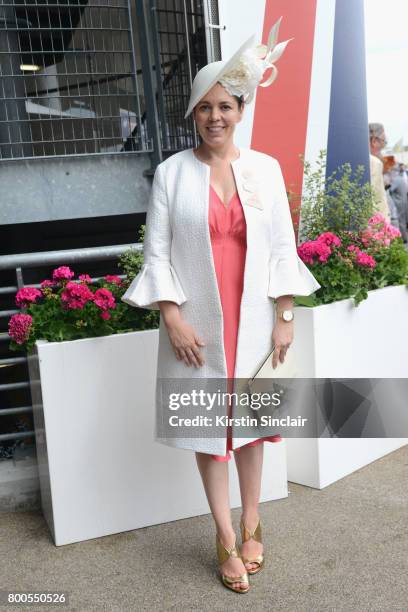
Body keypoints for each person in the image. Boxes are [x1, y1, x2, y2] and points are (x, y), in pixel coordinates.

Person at [121, 18, 320, 594]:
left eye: (225, 106)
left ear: (241, 109)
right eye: (204, 107)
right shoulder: (171, 175)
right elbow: (156, 253)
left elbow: (284, 247)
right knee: (211, 431)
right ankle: (224, 532)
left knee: (253, 428)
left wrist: (285, 317)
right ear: (193, 112)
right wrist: (172, 316)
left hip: (255, 319)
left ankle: (255, 516)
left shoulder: (265, 170)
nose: (215, 117)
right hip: (199, 324)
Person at [369, 123, 391, 221]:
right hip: (378, 227)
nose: (383, 146)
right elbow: (376, 201)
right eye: (384, 142)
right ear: (374, 141)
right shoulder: (375, 162)